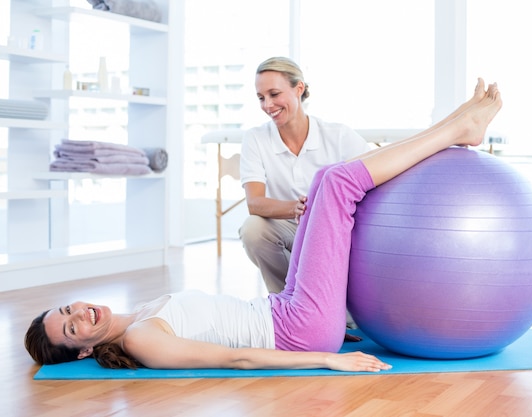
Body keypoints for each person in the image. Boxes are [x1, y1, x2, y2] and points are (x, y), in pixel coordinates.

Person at [24, 78, 502, 372]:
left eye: (67, 308)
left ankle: (455, 125)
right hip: (297, 330)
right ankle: (457, 129)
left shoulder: (143, 313)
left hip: (282, 309)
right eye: (70, 329)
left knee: (322, 187)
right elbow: (238, 358)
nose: (79, 314)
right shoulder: (139, 339)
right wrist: (327, 358)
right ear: (83, 352)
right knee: (335, 183)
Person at [239, 57, 371, 294]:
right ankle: (287, 301)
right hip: (290, 226)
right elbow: (254, 203)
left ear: (299, 88)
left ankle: (329, 298)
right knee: (253, 230)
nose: (268, 105)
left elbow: (374, 179)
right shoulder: (256, 138)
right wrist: (297, 208)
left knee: (348, 316)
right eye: (261, 97)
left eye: (274, 94)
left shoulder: (338, 135)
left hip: (335, 230)